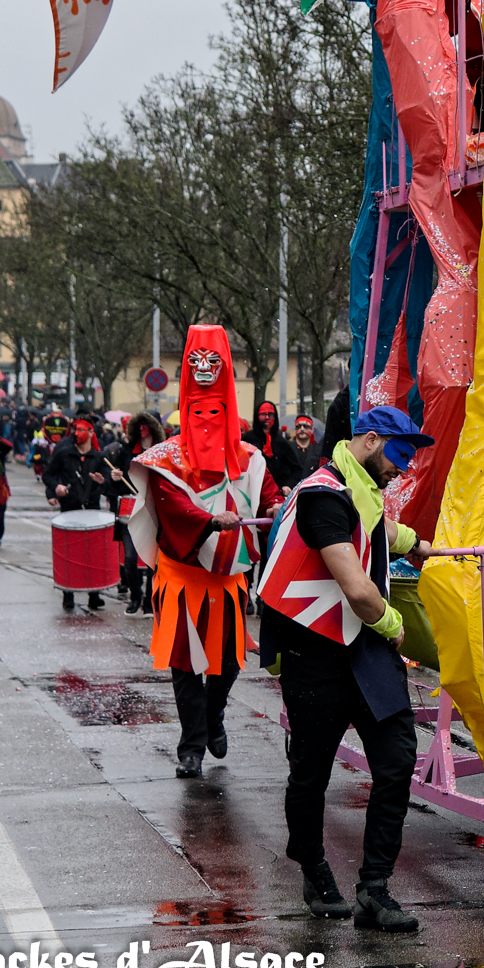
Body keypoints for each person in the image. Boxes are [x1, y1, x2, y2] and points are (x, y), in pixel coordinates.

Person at [254, 405, 435, 932]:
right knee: (311, 773)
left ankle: (375, 889)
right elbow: (357, 588)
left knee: (397, 761)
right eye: (401, 453)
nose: (404, 466)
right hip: (317, 651)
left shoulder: (359, 489)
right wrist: (396, 625)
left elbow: (374, 528)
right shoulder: (320, 494)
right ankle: (314, 869)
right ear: (371, 440)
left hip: (363, 648)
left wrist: (418, 544)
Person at [125, 329, 285, 779]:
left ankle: (214, 715)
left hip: (228, 579)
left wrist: (276, 504)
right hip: (182, 577)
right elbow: (172, 505)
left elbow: (268, 493)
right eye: (199, 411)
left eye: (216, 410)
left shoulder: (249, 456)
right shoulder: (166, 459)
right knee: (184, 664)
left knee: (228, 662)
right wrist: (210, 520)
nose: (207, 419)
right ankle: (191, 745)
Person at [45, 415, 113, 612]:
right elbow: (48, 475)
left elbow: (109, 481)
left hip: (92, 510)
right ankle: (68, 593)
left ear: (91, 433)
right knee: (70, 553)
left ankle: (94, 594)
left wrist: (104, 481)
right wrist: (55, 488)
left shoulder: (99, 457)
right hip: (69, 509)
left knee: (93, 553)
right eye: (75, 429)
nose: (76, 433)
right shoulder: (64, 453)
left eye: (81, 430)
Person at [108, 412, 167, 615]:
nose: (142, 428)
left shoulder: (164, 452)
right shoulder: (125, 451)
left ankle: (150, 600)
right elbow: (114, 488)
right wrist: (114, 478)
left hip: (154, 512)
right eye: (139, 424)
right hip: (129, 511)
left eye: (146, 424)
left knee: (153, 560)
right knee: (130, 558)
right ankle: (135, 596)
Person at [245, 400, 309, 489]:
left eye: (270, 415)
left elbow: (297, 469)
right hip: (251, 490)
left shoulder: (282, 442)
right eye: (263, 414)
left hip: (277, 492)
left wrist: (288, 486)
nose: (267, 418)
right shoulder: (246, 440)